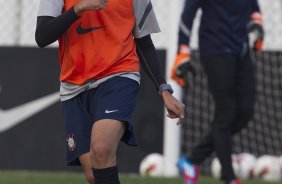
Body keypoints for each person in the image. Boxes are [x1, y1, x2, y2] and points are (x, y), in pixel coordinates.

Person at [35, 0, 185, 184]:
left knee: (101, 149)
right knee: (93, 174)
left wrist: (164, 89)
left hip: (118, 75)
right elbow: (42, 36)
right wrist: (78, 9)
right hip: (73, 86)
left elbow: (144, 41)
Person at [171, 0, 264, 184]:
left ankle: (191, 160)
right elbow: (188, 13)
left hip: (241, 51)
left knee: (245, 112)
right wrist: (182, 51)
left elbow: (254, 7)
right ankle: (230, 178)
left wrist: (257, 22)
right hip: (215, 51)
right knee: (226, 113)